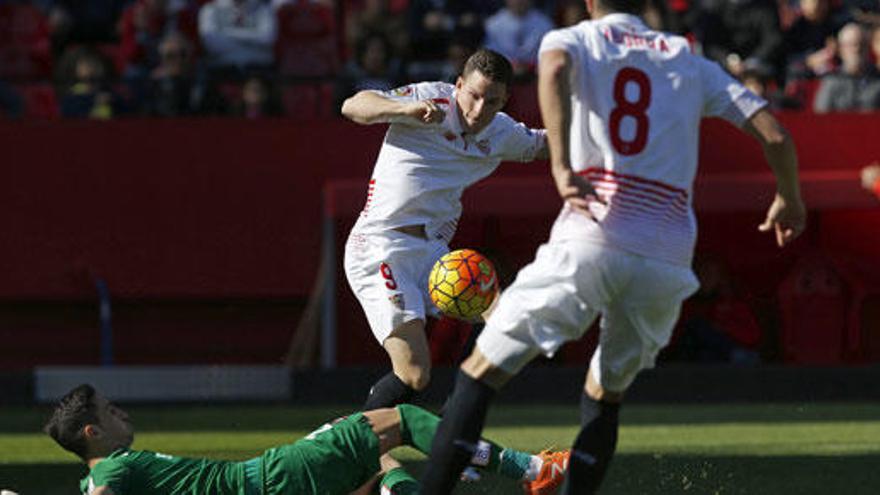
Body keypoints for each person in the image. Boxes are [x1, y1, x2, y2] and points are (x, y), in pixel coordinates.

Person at [420, 0, 806, 492]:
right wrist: (789, 198)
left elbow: (554, 66)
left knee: (478, 374)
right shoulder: (687, 57)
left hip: (593, 236)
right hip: (667, 258)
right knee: (605, 396)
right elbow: (775, 133)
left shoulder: (573, 40)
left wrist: (561, 165)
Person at [340, 48, 547, 413]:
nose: (480, 109)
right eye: (474, 95)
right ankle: (361, 452)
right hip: (381, 247)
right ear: (459, 85)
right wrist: (403, 110)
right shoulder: (428, 99)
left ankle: (453, 428)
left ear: (505, 101)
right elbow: (354, 105)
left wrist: (608, 141)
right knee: (415, 374)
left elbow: (546, 144)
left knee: (506, 324)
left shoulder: (501, 131)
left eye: (492, 101)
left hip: (433, 254)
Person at [45, 383, 569, 495]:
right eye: (111, 413)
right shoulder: (111, 471)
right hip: (273, 478)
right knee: (400, 420)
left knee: (375, 459)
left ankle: (456, 462)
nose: (122, 413)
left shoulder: (98, 475)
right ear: (94, 432)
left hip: (273, 484)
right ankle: (531, 470)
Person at [813, 22, 880, 113]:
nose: (856, 49)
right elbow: (820, 118)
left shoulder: (877, 80)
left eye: (861, 44)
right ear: (841, 50)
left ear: (868, 48)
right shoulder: (831, 81)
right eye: (850, 45)